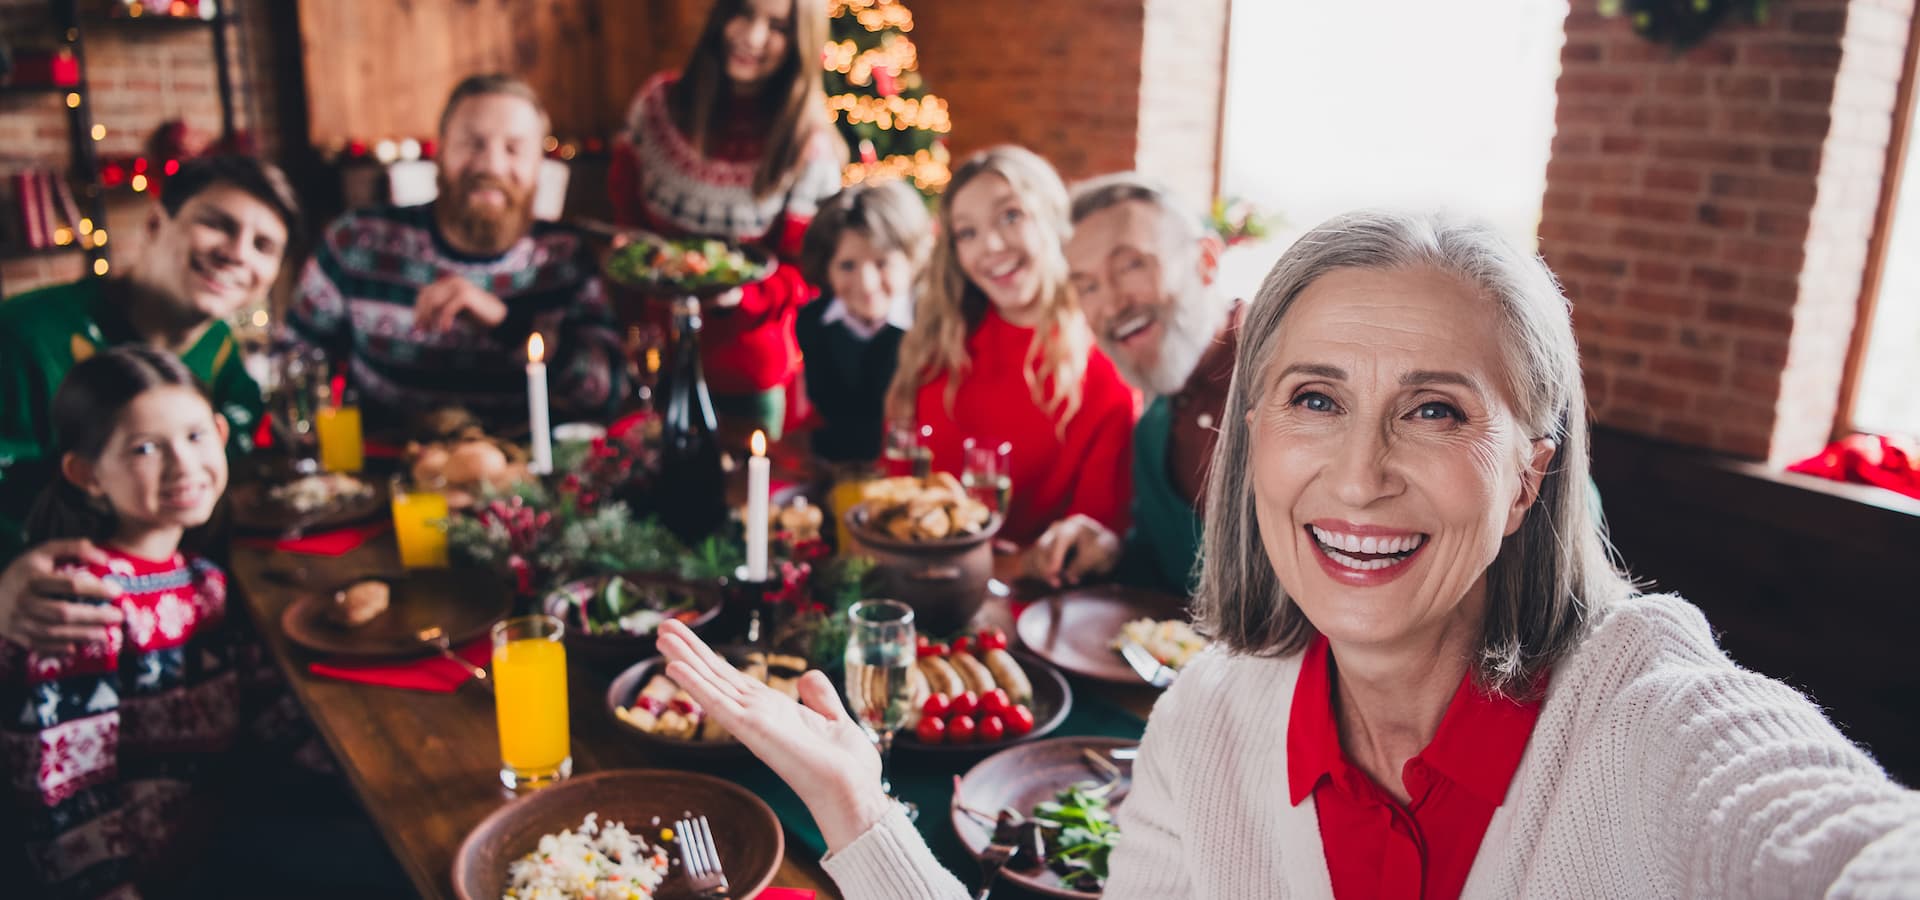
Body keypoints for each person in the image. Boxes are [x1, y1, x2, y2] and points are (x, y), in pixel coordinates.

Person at [655, 210, 1920, 898]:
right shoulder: (1213, 714)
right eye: (1314, 399)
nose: (1359, 473)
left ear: (1534, 467)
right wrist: (858, 812)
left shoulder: (1654, 722)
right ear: (1249, 436)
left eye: (1435, 409)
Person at [0, 154, 298, 652]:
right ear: (157, 222)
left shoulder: (219, 346)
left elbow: (248, 458)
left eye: (264, 246)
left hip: (176, 626)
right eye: (216, 225)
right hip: (51, 636)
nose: (237, 254)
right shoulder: (25, 334)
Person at [2, 347, 244, 896]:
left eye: (196, 436)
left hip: (210, 839)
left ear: (222, 435)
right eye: (145, 448)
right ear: (86, 475)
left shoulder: (205, 580)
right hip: (135, 876)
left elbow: (264, 708)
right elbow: (60, 786)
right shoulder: (78, 600)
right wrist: (112, 887)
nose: (183, 465)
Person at [286, 73, 625, 434]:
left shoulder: (566, 257)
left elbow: (607, 391)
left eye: (514, 148)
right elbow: (292, 364)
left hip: (527, 475)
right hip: (386, 468)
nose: (491, 166)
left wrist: (504, 323)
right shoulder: (356, 241)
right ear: (441, 150)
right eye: (472, 144)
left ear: (539, 164)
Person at [609, 0, 845, 438]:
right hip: (653, 363)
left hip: (746, 373)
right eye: (744, 13)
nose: (752, 37)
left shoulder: (808, 145)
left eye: (777, 26)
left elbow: (808, 274)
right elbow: (626, 218)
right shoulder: (656, 105)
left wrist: (742, 297)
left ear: (800, 40)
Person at [883, 146, 1134, 547]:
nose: (992, 246)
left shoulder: (1105, 374)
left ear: (1052, 219)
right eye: (968, 232)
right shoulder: (935, 345)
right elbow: (894, 491)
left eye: (1011, 216)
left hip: (1033, 601)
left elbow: (1089, 541)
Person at [1029, 174, 1238, 592]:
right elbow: (1170, 574)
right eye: (1086, 286)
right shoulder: (1153, 426)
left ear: (1206, 262)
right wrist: (1110, 551)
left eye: (1130, 265)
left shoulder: (1296, 386)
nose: (1110, 304)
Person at [795, 179, 930, 463]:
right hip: (835, 471)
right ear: (825, 267)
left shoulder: (932, 325)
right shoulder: (812, 322)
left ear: (912, 261)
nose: (866, 285)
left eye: (882, 263)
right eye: (847, 265)